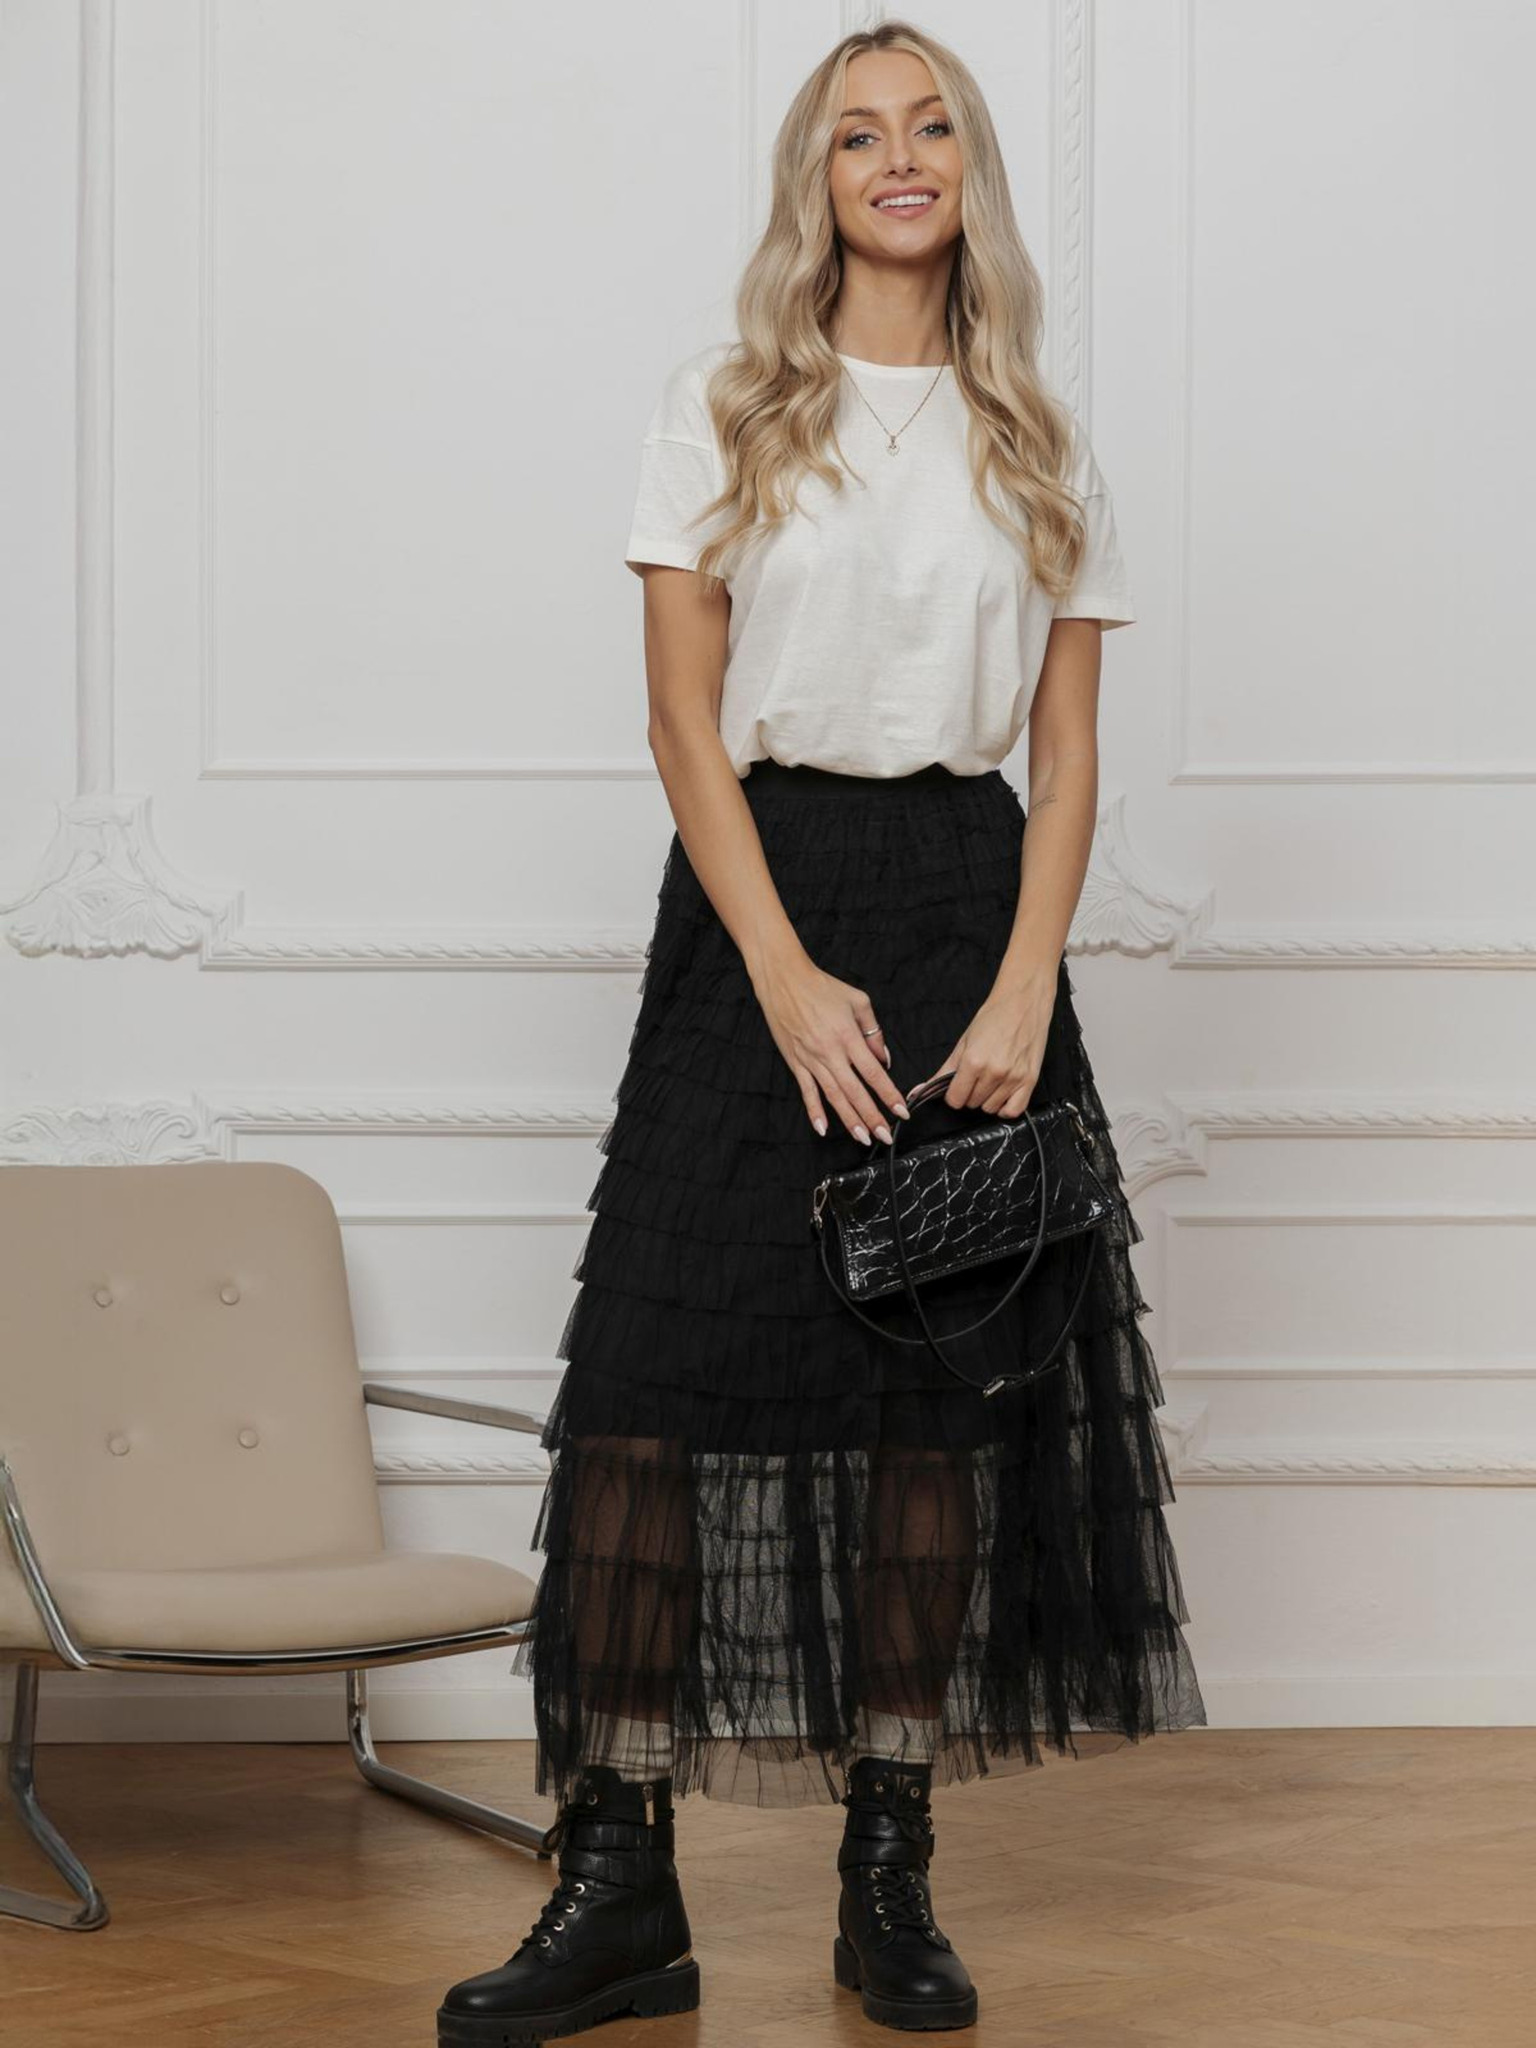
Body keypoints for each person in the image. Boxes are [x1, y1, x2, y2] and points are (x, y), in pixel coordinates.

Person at [435, 19, 1207, 2044]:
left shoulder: (1039, 436)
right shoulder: (722, 405)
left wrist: (1026, 980)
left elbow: (1066, 753)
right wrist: (777, 969)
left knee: (931, 1414)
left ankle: (889, 1874)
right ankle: (620, 1884)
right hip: (753, 911)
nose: (898, 156)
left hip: (966, 909)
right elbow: (684, 722)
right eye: (858, 133)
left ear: (970, 171)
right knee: (646, 1392)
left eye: (931, 125)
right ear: (820, 180)